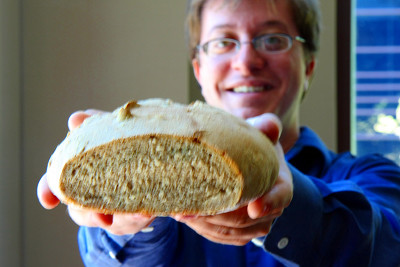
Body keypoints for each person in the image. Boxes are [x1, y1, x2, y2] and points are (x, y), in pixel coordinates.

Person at [37, 0, 400, 266]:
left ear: (309, 66)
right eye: (224, 42)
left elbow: (387, 248)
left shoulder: (372, 176)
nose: (246, 61)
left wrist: (291, 212)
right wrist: (127, 219)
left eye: (273, 39)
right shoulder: (160, 194)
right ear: (199, 70)